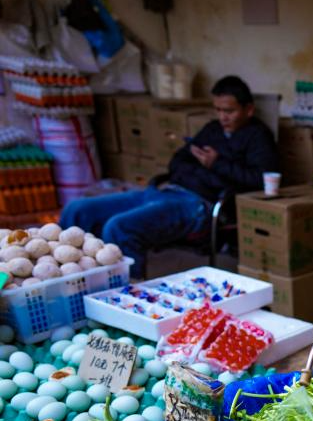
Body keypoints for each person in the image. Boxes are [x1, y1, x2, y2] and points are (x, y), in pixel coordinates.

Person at [60, 75, 278, 277]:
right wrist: (198, 169)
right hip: (166, 190)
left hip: (199, 204)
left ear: (248, 110)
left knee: (119, 228)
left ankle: (126, 298)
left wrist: (216, 164)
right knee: (77, 210)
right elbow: (178, 160)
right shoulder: (213, 129)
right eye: (218, 110)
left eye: (229, 111)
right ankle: (69, 280)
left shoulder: (258, 137)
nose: (223, 117)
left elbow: (259, 180)